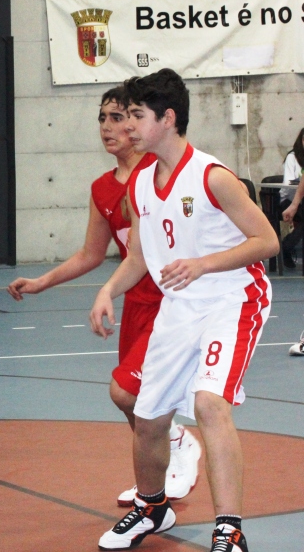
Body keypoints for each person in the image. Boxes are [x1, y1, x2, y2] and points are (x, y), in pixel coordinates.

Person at [90, 69, 277, 552]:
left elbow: (267, 242)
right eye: (123, 115)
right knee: (149, 416)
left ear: (167, 119)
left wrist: (203, 264)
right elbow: (139, 258)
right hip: (180, 306)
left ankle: (229, 530)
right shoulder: (141, 186)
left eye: (136, 115)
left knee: (209, 404)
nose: (126, 125)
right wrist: (107, 289)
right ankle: (153, 507)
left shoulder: (213, 177)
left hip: (232, 297)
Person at [7, 86, 201, 508]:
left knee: (126, 392)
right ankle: (158, 476)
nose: (111, 127)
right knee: (135, 399)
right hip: (136, 303)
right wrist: (43, 282)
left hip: (173, 300)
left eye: (120, 117)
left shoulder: (160, 171)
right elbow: (91, 254)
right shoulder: (102, 187)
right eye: (104, 118)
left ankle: (179, 443)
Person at [278, 127, 304, 269]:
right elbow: (288, 183)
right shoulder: (292, 157)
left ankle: (287, 245)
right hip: (288, 200)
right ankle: (286, 246)